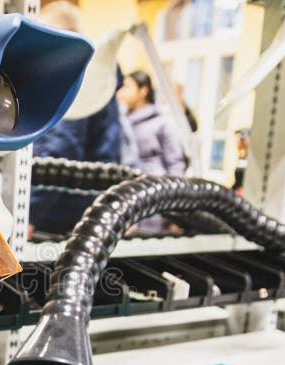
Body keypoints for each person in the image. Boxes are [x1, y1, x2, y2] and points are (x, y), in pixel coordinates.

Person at [30, 1, 123, 236]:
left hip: (59, 215)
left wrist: (29, 213)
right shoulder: (99, 75)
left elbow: (61, 149)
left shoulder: (76, 73)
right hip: (87, 207)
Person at [117, 70, 186, 176]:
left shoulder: (161, 122)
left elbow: (175, 164)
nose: (122, 92)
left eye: (127, 86)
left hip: (153, 186)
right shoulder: (122, 122)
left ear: (143, 90)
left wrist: (173, 190)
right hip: (126, 186)